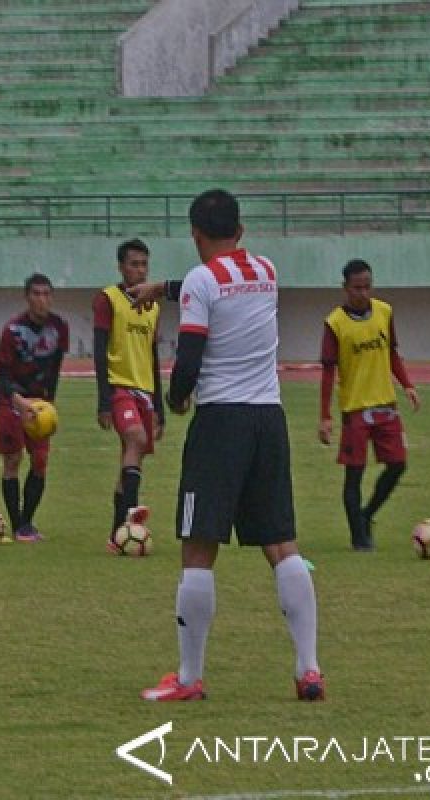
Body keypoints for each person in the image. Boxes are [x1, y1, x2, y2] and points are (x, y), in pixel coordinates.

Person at [136, 189, 323, 702]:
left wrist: (174, 400)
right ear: (239, 232)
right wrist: (165, 287)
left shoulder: (201, 280)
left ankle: (190, 679)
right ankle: (309, 669)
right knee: (281, 545)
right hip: (269, 419)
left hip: (220, 422)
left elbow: (191, 353)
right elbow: (221, 284)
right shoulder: (265, 270)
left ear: (195, 234)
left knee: (198, 549)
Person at [318, 259, 420, 551]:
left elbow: (392, 354)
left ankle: (366, 515)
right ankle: (359, 538)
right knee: (355, 474)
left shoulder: (384, 312)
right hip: (355, 409)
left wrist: (408, 385)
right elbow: (328, 372)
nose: (362, 293)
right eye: (356, 288)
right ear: (345, 288)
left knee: (398, 465)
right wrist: (325, 417)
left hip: (386, 405)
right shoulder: (335, 323)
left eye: (367, 286)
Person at [92, 238, 165, 538]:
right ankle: (132, 521)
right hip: (119, 387)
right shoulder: (108, 299)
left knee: (132, 458)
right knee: (135, 438)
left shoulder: (153, 308)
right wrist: (104, 401)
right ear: (121, 267)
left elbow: (153, 355)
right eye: (134, 264)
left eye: (144, 264)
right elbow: (99, 349)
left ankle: (117, 533)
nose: (140, 270)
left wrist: (159, 405)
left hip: (144, 392)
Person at [0, 273, 68, 542]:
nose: (42, 300)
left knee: (40, 462)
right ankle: (16, 525)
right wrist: (19, 402)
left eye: (47, 294)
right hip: (12, 400)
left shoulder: (59, 327)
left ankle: (27, 522)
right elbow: (1, 376)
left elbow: (56, 367)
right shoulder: (12, 331)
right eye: (36, 294)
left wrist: (50, 401)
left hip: (39, 403)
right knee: (13, 460)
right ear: (27, 298)